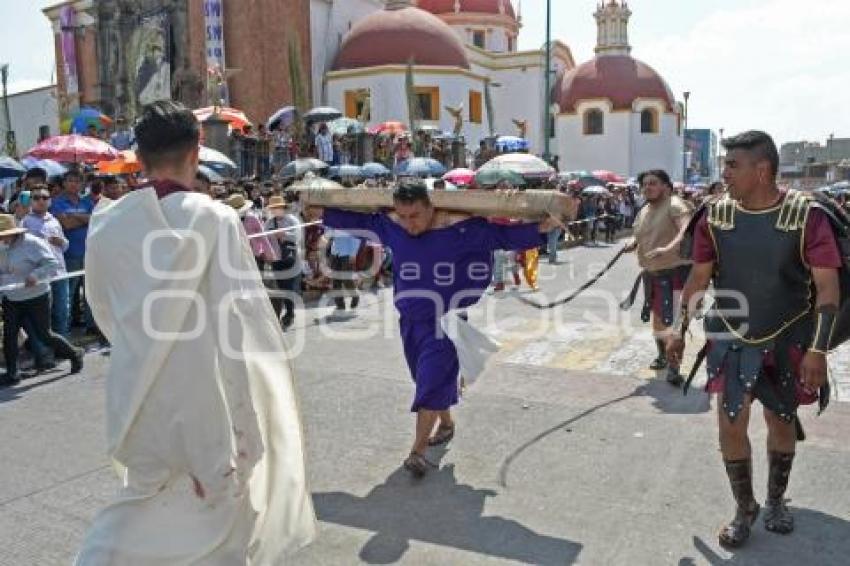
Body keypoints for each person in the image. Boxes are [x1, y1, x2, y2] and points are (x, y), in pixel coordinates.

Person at [75, 100, 314, 564]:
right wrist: (248, 434)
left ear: (138, 157)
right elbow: (236, 332)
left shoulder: (105, 225)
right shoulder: (214, 219)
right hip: (205, 406)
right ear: (197, 148)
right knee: (219, 534)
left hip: (136, 398)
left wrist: (146, 346)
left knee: (139, 515)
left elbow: (102, 311)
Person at [308, 179, 560, 477]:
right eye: (403, 216)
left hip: (445, 324)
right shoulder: (393, 227)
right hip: (410, 322)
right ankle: (448, 422)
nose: (409, 223)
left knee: (429, 381)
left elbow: (502, 236)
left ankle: (417, 451)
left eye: (415, 215)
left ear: (431, 208)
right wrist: (321, 213)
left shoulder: (462, 231)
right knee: (425, 379)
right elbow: (359, 221)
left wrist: (541, 229)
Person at [667, 130, 840, 549]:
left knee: (780, 421)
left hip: (788, 336)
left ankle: (776, 500)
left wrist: (817, 350)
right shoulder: (715, 215)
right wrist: (679, 326)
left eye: (732, 165)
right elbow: (699, 277)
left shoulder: (807, 216)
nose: (723, 173)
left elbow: (828, 289)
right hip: (729, 335)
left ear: (761, 170)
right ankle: (745, 507)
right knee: (729, 422)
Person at [623, 169, 692, 386]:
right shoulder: (644, 210)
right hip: (652, 276)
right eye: (644, 184)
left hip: (676, 274)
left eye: (653, 183)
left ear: (665, 186)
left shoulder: (675, 204)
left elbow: (686, 228)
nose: (648, 187)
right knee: (659, 323)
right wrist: (633, 242)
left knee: (675, 325)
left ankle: (674, 367)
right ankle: (663, 356)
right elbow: (639, 234)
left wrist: (669, 246)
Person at [0, 214, 83, 387]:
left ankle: (74, 353)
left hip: (36, 297)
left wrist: (35, 275)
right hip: (12, 298)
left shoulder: (32, 243)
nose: (1, 238)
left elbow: (52, 264)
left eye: (3, 234)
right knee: (9, 336)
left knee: (44, 335)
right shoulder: (1, 246)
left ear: (13, 232)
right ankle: (12, 373)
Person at [50, 169, 96, 333]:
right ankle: (64, 330)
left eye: (77, 181)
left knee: (91, 292)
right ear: (64, 183)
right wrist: (85, 219)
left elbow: (95, 220)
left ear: (82, 184)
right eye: (70, 180)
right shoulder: (57, 202)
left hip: (89, 253)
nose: (74, 184)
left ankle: (92, 326)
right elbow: (66, 225)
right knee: (67, 295)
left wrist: (76, 218)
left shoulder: (87, 202)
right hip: (69, 255)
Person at [21, 185, 71, 337]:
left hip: (60, 272)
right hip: (40, 275)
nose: (41, 201)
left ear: (50, 201)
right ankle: (45, 348)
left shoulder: (54, 220)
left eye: (45, 197)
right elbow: (22, 250)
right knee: (44, 315)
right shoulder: (25, 222)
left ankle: (63, 344)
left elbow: (65, 245)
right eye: (36, 198)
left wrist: (61, 242)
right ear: (30, 201)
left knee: (62, 310)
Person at [265, 195, 303, 329]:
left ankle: (289, 313)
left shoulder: (292, 220)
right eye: (272, 208)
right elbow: (264, 238)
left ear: (283, 208)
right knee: (280, 286)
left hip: (291, 258)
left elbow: (298, 236)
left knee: (289, 286)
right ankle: (285, 313)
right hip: (276, 258)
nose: (275, 210)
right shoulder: (269, 223)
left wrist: (284, 234)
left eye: (277, 208)